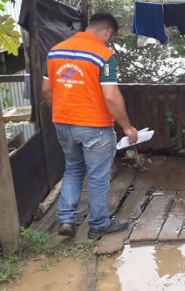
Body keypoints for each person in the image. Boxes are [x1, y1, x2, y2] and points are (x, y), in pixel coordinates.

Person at [42, 13, 139, 239]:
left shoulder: (55, 51)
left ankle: (66, 219)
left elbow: (47, 90)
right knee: (97, 176)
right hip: (95, 126)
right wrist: (127, 127)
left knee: (73, 169)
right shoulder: (104, 55)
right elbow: (111, 97)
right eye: (111, 38)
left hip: (64, 123)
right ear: (107, 32)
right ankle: (99, 223)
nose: (109, 42)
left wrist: (59, 113)